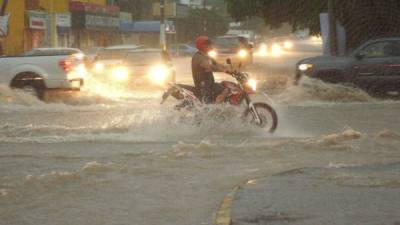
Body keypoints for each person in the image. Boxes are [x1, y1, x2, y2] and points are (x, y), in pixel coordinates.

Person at [192, 36, 230, 104]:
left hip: (209, 83)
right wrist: (223, 70)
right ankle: (215, 108)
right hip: (204, 85)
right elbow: (209, 66)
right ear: (203, 46)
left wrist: (230, 68)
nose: (210, 46)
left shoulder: (207, 56)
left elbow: (217, 64)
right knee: (226, 90)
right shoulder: (198, 57)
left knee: (227, 85)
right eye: (208, 44)